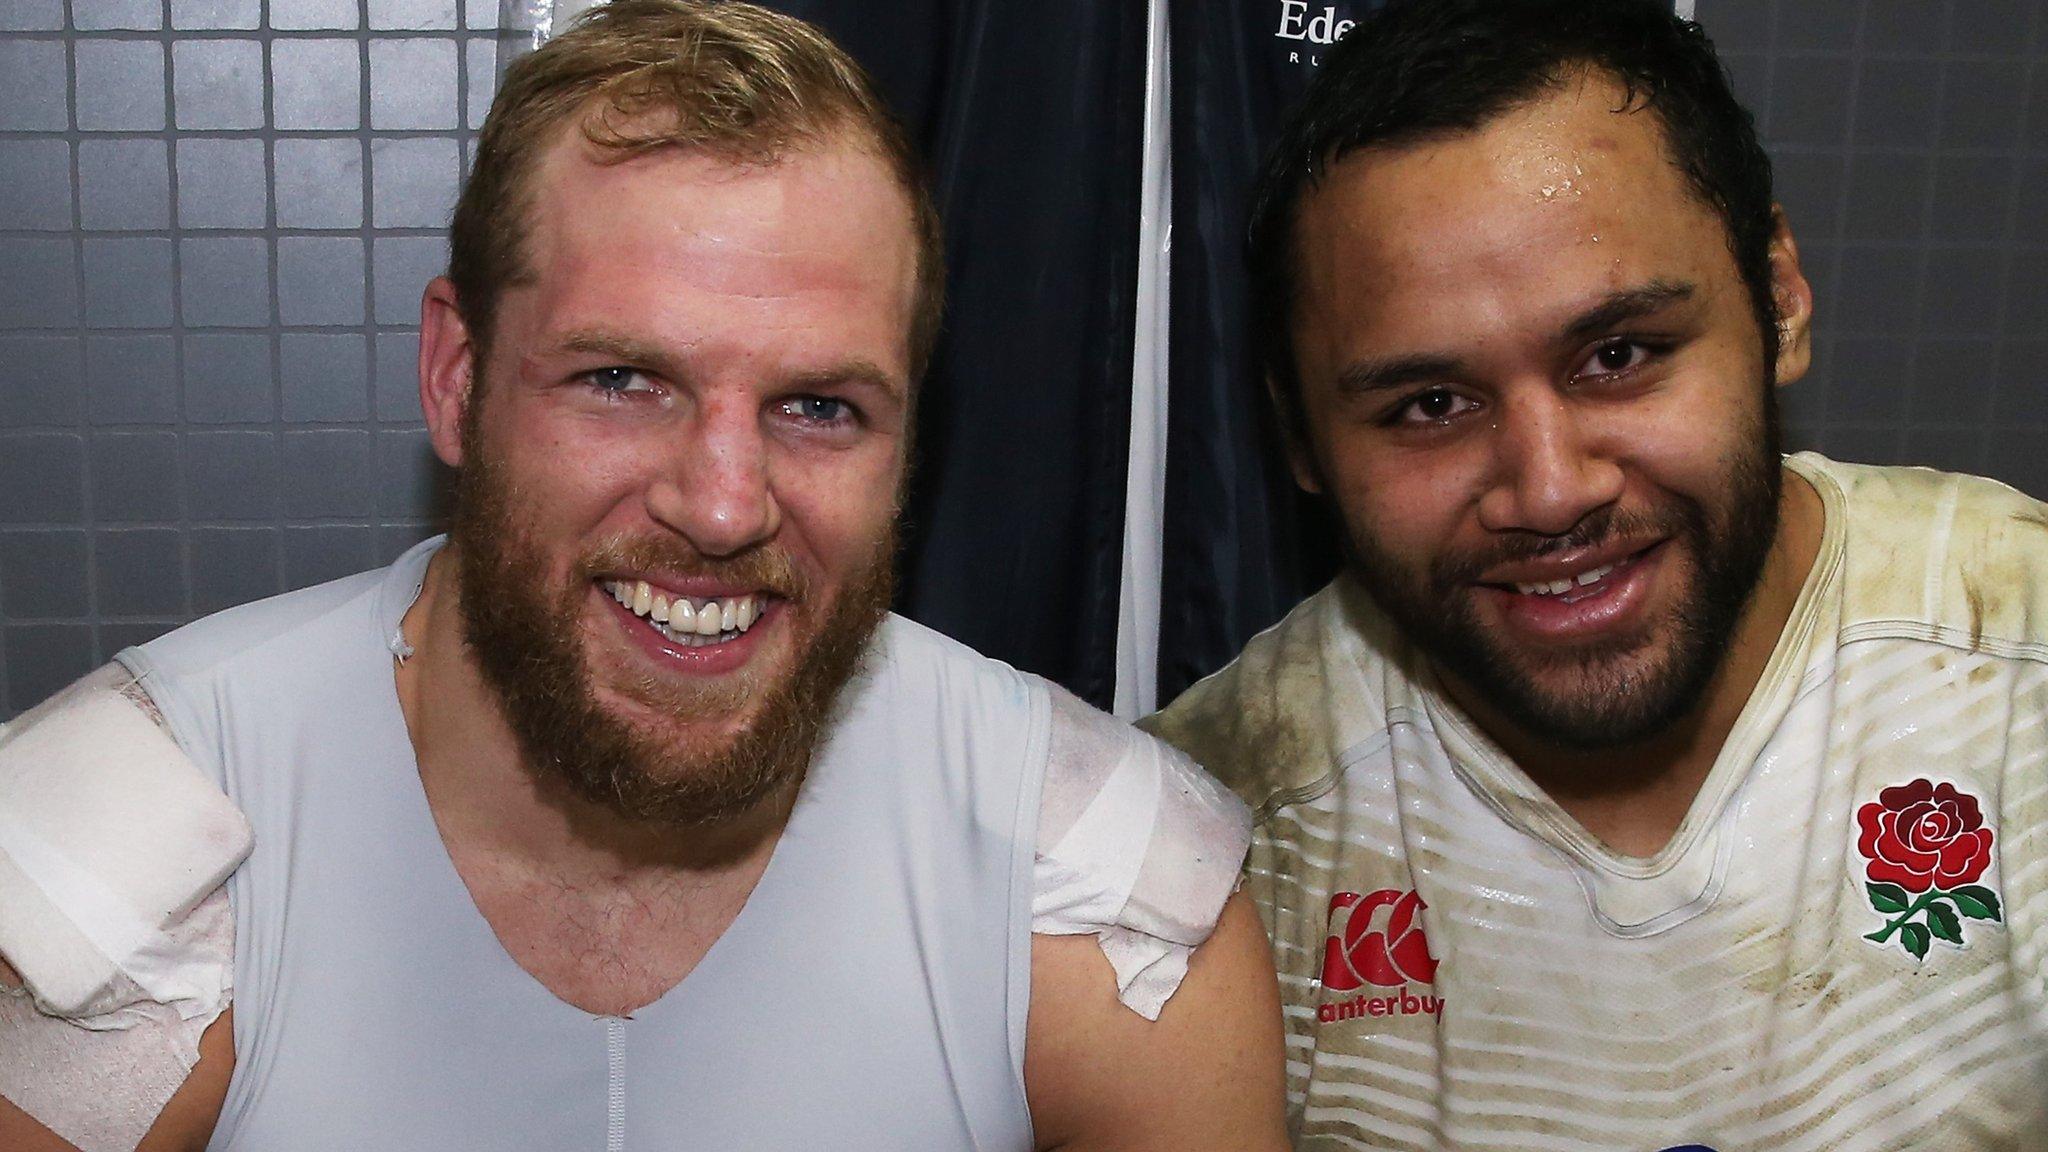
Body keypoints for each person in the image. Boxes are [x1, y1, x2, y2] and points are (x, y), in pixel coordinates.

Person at [0, 3, 1288, 1149]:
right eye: (620, 379)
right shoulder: (119, 865)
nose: (723, 506)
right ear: (456, 376)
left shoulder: (1104, 897)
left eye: (821, 406)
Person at [1143, 0, 2048, 1148]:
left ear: (1775, 299)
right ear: (1300, 444)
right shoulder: (1196, 844)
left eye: (1617, 356)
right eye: (1429, 405)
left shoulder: (2015, 657)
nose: (1550, 488)